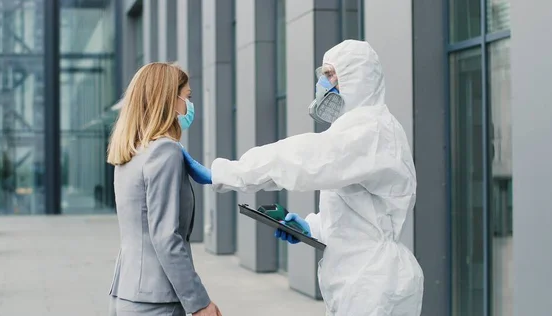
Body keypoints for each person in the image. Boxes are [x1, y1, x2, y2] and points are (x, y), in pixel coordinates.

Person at [182, 40, 424, 315]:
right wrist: (313, 228)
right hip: (359, 280)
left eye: (331, 74)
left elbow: (300, 160)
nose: (323, 83)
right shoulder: (356, 132)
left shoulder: (372, 131)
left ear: (358, 78)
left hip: (374, 287)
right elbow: (362, 213)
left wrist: (225, 173)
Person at [106, 62, 221, 316]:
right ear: (170, 100)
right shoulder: (165, 151)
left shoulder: (130, 152)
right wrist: (200, 302)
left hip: (127, 292)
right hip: (157, 302)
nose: (189, 106)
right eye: (187, 97)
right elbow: (166, 237)